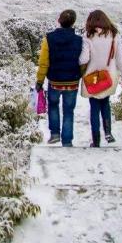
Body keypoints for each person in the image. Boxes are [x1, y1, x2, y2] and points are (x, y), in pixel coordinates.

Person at [79, 10, 122, 148]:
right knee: (105, 104)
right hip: (109, 76)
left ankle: (96, 140)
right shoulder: (114, 35)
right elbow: (121, 60)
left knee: (94, 107)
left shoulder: (88, 36)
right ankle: (108, 132)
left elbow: (84, 58)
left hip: (93, 77)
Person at [35, 9, 82, 147]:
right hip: (72, 80)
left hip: (55, 80)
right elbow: (83, 60)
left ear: (59, 21)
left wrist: (39, 80)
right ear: (73, 22)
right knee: (68, 110)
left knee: (53, 106)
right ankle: (67, 140)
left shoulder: (48, 38)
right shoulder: (79, 40)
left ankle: (55, 134)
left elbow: (44, 61)